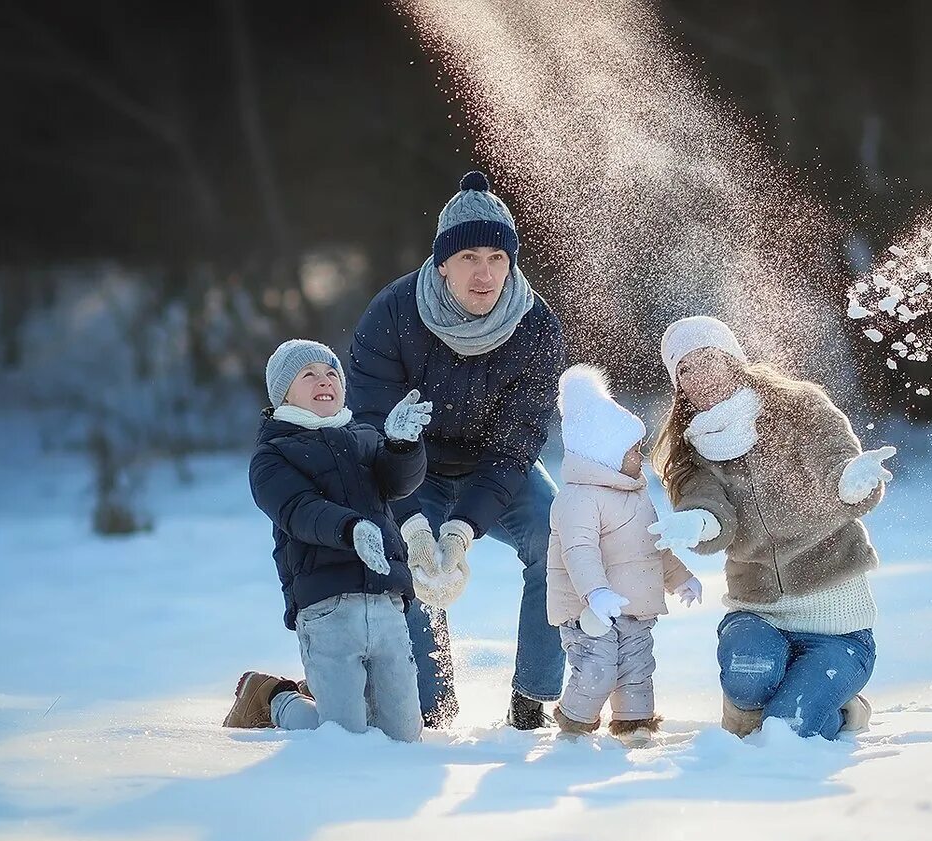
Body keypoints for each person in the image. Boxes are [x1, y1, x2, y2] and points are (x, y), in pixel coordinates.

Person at [347, 170, 566, 729]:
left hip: (497, 468)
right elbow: (372, 430)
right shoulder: (393, 314)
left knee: (556, 533)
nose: (485, 272)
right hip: (411, 467)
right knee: (411, 559)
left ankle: (532, 698)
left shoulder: (536, 326)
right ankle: (433, 703)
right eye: (470, 256)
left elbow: (518, 443)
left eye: (497, 256)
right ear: (442, 263)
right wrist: (418, 525)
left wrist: (464, 527)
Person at [648, 317, 892, 739]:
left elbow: (838, 465)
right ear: (678, 387)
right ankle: (752, 702)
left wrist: (852, 481)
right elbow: (708, 505)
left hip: (837, 632)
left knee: (787, 727)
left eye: (709, 360)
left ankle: (841, 711)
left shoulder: (797, 407)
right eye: (684, 369)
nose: (699, 375)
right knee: (748, 672)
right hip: (757, 614)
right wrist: (700, 521)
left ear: (733, 361)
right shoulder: (692, 448)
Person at [222, 339, 433, 741]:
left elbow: (399, 482)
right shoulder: (273, 455)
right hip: (326, 606)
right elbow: (297, 510)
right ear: (284, 392)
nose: (325, 380)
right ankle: (274, 699)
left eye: (332, 372)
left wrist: (403, 446)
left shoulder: (365, 438)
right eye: (309, 374)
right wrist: (350, 528)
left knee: (404, 735)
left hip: (386, 600)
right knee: (342, 735)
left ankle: (326, 691)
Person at [546, 365, 703, 738]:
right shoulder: (578, 498)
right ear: (604, 454)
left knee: (636, 666)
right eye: (632, 449)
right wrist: (595, 593)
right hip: (589, 607)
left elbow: (652, 546)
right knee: (598, 666)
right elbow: (578, 550)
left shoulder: (634, 493)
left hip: (634, 606)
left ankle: (635, 723)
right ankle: (575, 723)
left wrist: (681, 578)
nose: (640, 455)